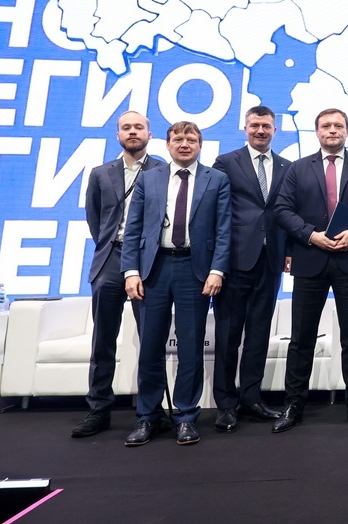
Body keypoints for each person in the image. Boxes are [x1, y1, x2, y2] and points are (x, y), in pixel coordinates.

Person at [272, 108, 348, 432]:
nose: (333, 130)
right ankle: (294, 404)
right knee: (301, 338)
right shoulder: (298, 168)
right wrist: (310, 235)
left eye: (338, 125)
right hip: (310, 259)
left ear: (347, 131)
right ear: (317, 131)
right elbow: (282, 209)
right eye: (326, 125)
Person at [121, 121, 231, 447]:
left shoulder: (217, 179)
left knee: (191, 347)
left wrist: (217, 270)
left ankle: (185, 417)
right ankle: (147, 417)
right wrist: (130, 271)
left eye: (191, 139)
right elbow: (133, 228)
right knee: (150, 347)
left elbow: (224, 230)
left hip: (194, 271)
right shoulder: (149, 178)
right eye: (178, 139)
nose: (184, 144)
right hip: (153, 270)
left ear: (200, 145)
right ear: (167, 144)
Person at [71, 111, 162, 438]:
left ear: (149, 134)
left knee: (151, 339)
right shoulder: (100, 173)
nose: (132, 132)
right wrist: (112, 245)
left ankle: (151, 412)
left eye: (138, 127)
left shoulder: (163, 171)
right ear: (118, 134)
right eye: (126, 127)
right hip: (110, 259)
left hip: (150, 260)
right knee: (103, 339)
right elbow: (95, 219)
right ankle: (99, 409)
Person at [210, 106, 291, 433]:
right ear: (245, 128)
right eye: (255, 125)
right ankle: (225, 404)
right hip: (233, 261)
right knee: (228, 335)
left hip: (271, 261)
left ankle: (252, 398)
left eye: (266, 126)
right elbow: (215, 212)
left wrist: (290, 252)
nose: (260, 130)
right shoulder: (226, 163)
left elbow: (290, 212)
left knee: (259, 334)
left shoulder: (287, 166)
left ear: (275, 130)